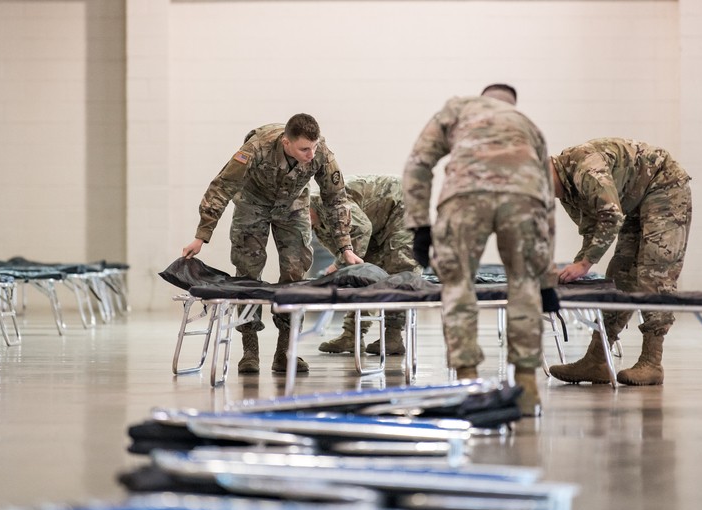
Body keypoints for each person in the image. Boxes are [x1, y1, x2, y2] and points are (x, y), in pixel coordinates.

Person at [402, 83, 555, 417]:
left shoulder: (458, 108)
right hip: (523, 194)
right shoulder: (527, 125)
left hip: (465, 193)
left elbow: (418, 163)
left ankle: (467, 380)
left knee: (458, 284)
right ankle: (526, 386)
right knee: (525, 284)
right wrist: (545, 279)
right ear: (512, 104)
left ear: (483, 98)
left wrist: (419, 225)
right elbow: (548, 199)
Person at [181, 113, 363, 374]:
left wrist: (345, 247)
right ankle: (250, 351)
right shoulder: (257, 147)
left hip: (293, 207)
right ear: (286, 142)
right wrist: (202, 235)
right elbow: (222, 187)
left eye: (313, 147)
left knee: (295, 275)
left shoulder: (321, 152)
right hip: (252, 204)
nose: (311, 154)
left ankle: (286, 353)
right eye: (304, 149)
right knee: (247, 274)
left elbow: (336, 198)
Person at [548, 137, 692, 386]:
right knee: (621, 273)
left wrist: (585, 263)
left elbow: (611, 216)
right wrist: (578, 265)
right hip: (634, 200)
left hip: (663, 184)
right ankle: (597, 360)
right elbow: (592, 229)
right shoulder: (566, 191)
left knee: (655, 270)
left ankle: (652, 362)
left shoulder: (585, 168)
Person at [310, 174, 421, 356]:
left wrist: (337, 265)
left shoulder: (328, 204)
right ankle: (351, 335)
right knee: (363, 276)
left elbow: (362, 229)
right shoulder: (315, 224)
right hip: (375, 223)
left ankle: (393, 337)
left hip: (402, 207)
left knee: (400, 271)